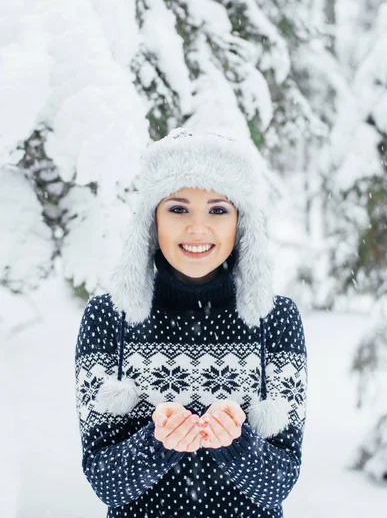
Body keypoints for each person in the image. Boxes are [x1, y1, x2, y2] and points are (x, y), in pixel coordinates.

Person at [74, 127, 308, 518]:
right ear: (152, 220)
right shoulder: (108, 318)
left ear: (241, 222)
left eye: (218, 209)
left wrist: (237, 443)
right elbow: (104, 481)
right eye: (178, 208)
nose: (197, 229)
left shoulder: (276, 319)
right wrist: (158, 442)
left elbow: (281, 480)